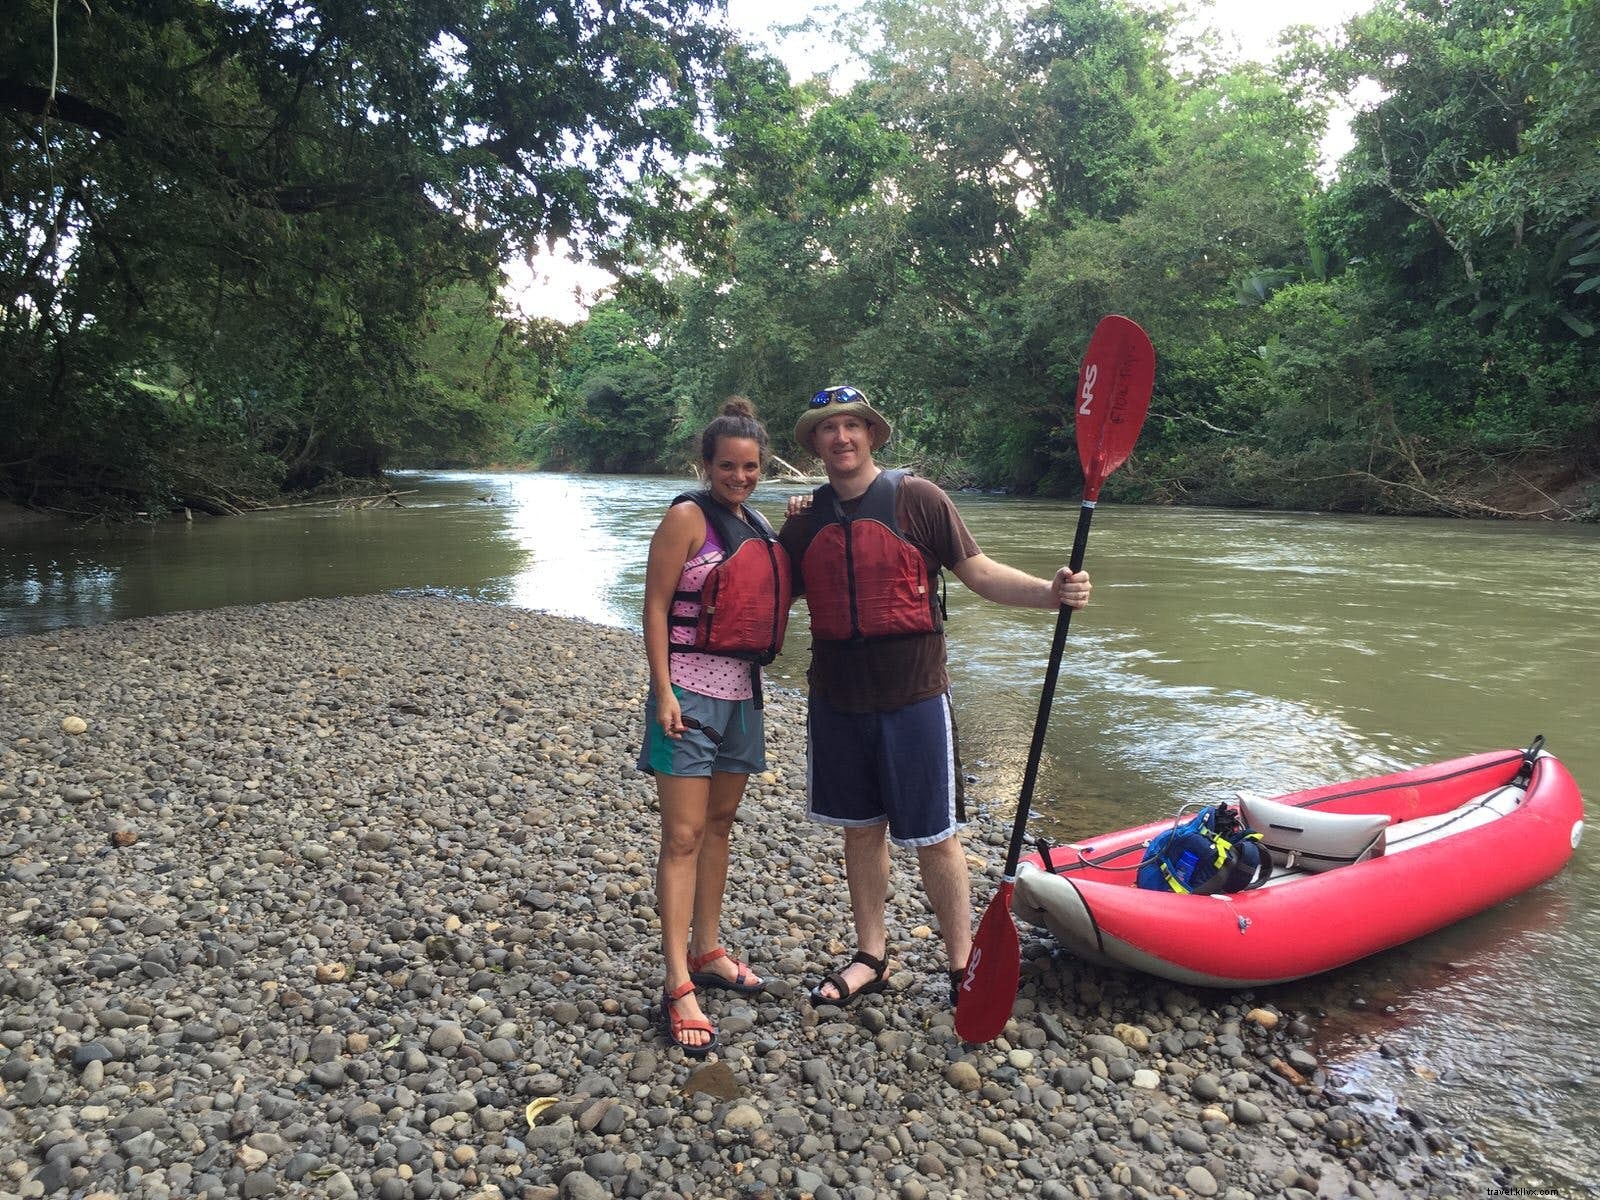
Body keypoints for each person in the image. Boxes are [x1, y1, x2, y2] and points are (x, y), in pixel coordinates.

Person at [778, 385, 1092, 1009]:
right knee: (861, 831)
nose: (841, 437)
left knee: (936, 835)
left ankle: (961, 963)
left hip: (915, 696)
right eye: (828, 428)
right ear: (814, 443)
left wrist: (1049, 593)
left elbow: (977, 571)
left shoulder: (919, 498)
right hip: (837, 700)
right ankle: (872, 955)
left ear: (871, 434)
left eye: (852, 426)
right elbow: (768, 596)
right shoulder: (804, 519)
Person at [638, 398, 792, 1057]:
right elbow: (654, 605)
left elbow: (767, 596)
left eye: (751, 466)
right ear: (706, 465)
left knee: (720, 828)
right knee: (682, 837)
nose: (740, 475)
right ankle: (677, 983)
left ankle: (707, 949)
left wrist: (800, 530)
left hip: (741, 699)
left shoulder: (755, 522)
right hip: (689, 700)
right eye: (728, 465)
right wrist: (663, 689)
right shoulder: (686, 517)